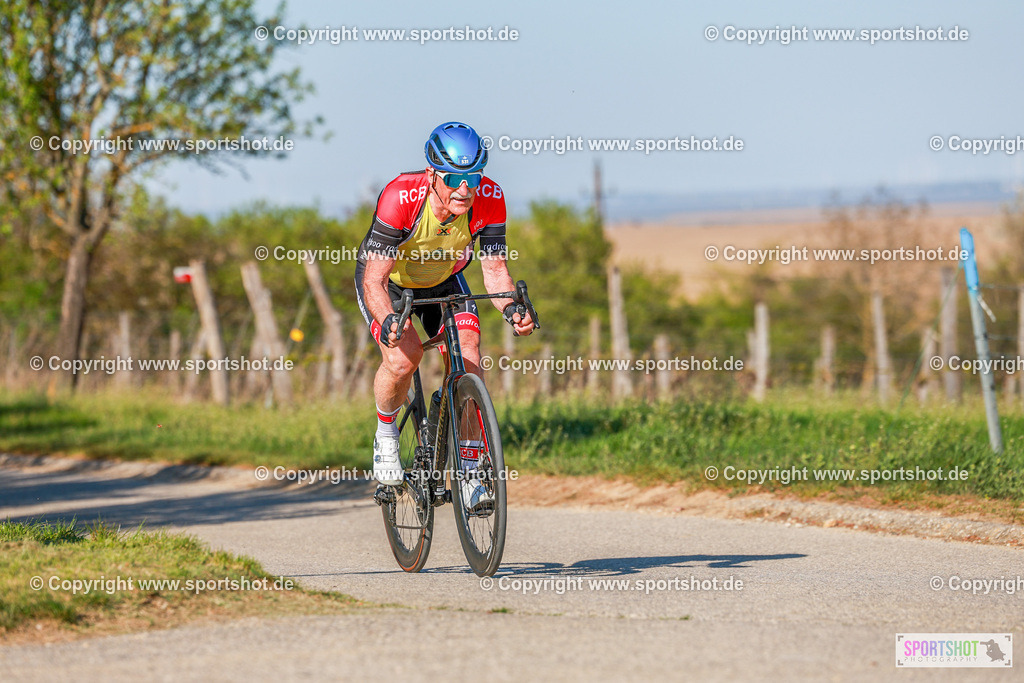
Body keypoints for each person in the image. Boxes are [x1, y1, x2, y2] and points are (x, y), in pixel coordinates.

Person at [354, 121, 534, 507]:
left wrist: (513, 310)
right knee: (404, 358)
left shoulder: (490, 197)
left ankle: (470, 470)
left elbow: (495, 269)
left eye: (473, 176)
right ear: (433, 173)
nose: (465, 189)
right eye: (454, 178)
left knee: (469, 359)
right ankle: (386, 433)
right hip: (392, 284)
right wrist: (388, 321)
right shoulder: (400, 198)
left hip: (444, 280)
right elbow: (374, 280)